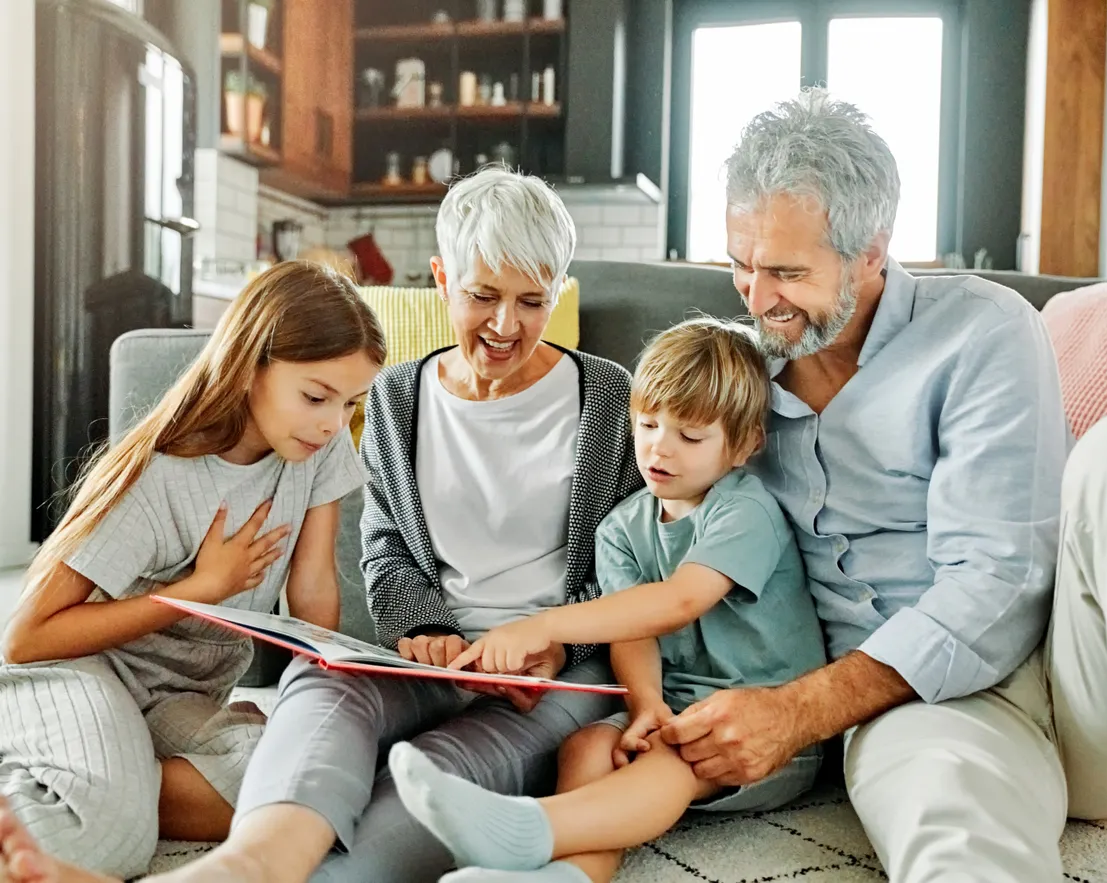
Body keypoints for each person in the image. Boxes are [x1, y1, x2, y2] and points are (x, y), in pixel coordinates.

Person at [9, 167, 641, 883]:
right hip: (426, 663)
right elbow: (388, 551)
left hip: (548, 673)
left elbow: (628, 562)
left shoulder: (610, 397)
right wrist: (424, 630)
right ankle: (233, 858)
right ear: (442, 280)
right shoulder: (398, 397)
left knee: (415, 772)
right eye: (483, 295)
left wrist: (554, 640)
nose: (506, 324)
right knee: (319, 696)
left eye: (534, 299)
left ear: (559, 289)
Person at [638, 88, 1107, 882]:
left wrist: (798, 710)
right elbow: (644, 500)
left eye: (788, 272)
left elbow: (998, 580)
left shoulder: (984, 328)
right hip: (919, 709)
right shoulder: (732, 377)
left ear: (872, 249)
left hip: (1082, 675)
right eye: (739, 265)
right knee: (958, 846)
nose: (758, 299)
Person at [386, 317, 827, 883]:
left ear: (744, 445)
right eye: (647, 425)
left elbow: (679, 600)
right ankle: (564, 877)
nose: (659, 449)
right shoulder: (622, 526)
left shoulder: (746, 509)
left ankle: (527, 826)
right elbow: (632, 630)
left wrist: (545, 626)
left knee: (676, 760)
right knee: (589, 746)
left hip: (767, 731)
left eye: (690, 437)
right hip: (678, 705)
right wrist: (644, 703)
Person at [0, 261, 386, 881]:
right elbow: (27, 639)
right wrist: (199, 591)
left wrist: (318, 699)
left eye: (351, 403)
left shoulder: (316, 449)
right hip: (77, 672)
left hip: (177, 699)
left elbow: (311, 587)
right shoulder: (160, 471)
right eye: (315, 396)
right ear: (248, 365)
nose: (333, 422)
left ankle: (99, 776)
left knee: (311, 778)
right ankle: (83, 779)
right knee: (105, 840)